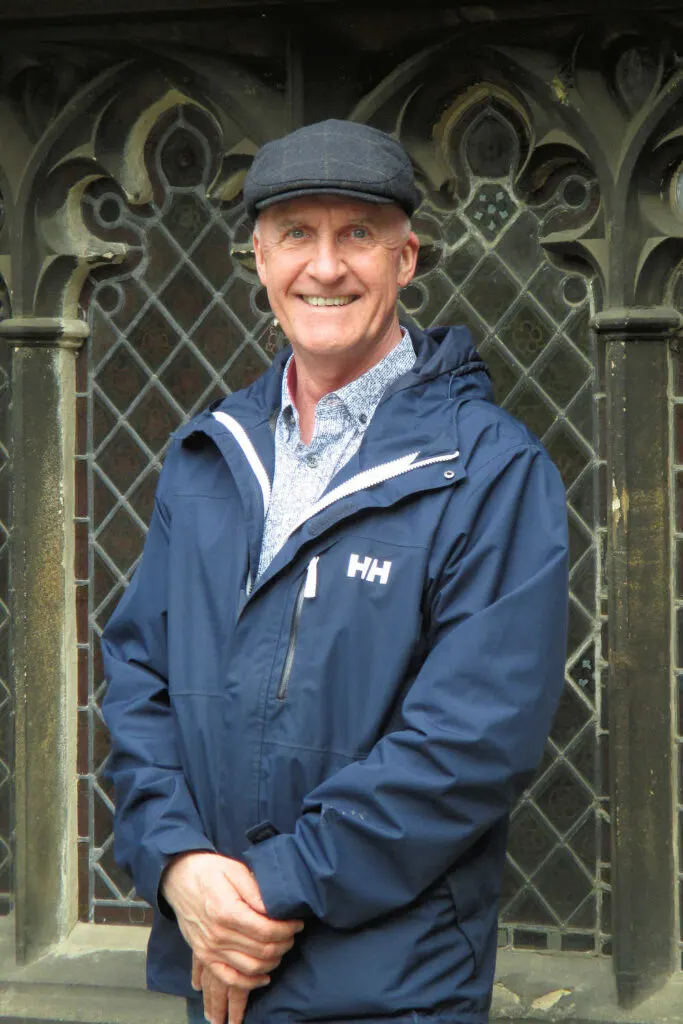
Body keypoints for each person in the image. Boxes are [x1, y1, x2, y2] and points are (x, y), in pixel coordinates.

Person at [102, 118, 569, 1024]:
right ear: (259, 258)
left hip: (392, 989)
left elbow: (469, 744)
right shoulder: (207, 456)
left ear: (407, 257)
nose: (324, 267)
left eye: (356, 233)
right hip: (217, 971)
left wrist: (265, 894)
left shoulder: (490, 469)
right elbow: (136, 681)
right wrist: (182, 869)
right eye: (295, 236)